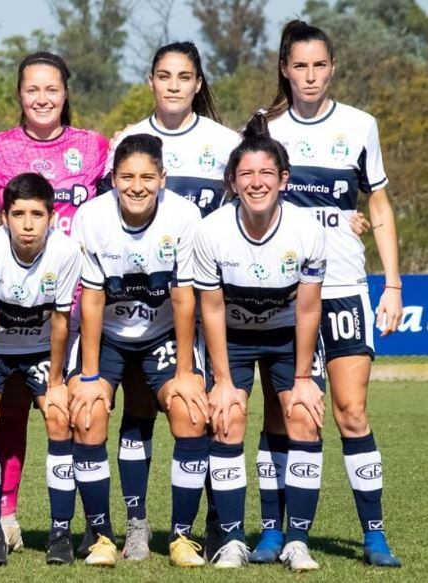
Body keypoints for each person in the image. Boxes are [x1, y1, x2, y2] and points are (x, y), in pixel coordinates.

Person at [258, 20, 402, 568]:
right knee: (284, 414)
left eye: (320, 65)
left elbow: (379, 207)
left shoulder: (360, 126)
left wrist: (390, 283)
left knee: (351, 412)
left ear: (333, 67)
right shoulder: (265, 126)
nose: (310, 75)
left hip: (343, 289)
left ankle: (374, 533)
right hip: (281, 295)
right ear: (284, 69)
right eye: (300, 65)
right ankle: (276, 531)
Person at [0, 51, 109, 551]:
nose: (42, 98)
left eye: (52, 89)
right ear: (19, 95)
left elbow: (128, 197)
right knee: (5, 417)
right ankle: (3, 518)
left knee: (76, 412)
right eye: (32, 90)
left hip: (77, 302)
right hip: (11, 303)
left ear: (66, 94)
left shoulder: (95, 147)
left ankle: (92, 524)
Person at [195, 112, 327, 571]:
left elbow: (309, 309)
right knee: (228, 416)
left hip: (287, 338)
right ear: (232, 180)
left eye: (266, 173)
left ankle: (297, 541)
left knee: (304, 417)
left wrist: (306, 378)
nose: (256, 183)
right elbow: (210, 309)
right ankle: (231, 540)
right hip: (231, 338)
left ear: (284, 179)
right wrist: (224, 382)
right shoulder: (210, 230)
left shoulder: (307, 229)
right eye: (246, 174)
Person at [67, 134, 206, 568]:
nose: (137, 186)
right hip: (107, 334)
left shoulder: (184, 215)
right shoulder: (91, 216)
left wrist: (185, 372)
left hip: (161, 333)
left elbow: (184, 298)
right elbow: (90, 299)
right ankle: (104, 536)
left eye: (147, 176)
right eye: (126, 176)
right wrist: (89, 377)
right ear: (112, 179)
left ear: (163, 178)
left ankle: (181, 537)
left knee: (189, 411)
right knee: (88, 414)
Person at [0, 173, 82, 565]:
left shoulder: (66, 251)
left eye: (36, 214)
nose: (28, 224)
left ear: (51, 217)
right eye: (18, 214)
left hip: (41, 348)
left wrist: (57, 382)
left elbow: (62, 320)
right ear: (3, 218)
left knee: (60, 417)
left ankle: (60, 533)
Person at [102, 41, 239, 217]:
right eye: (164, 76)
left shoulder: (227, 141)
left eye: (184, 77)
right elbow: (107, 207)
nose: (173, 87)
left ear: (198, 84)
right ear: (151, 81)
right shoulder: (128, 139)